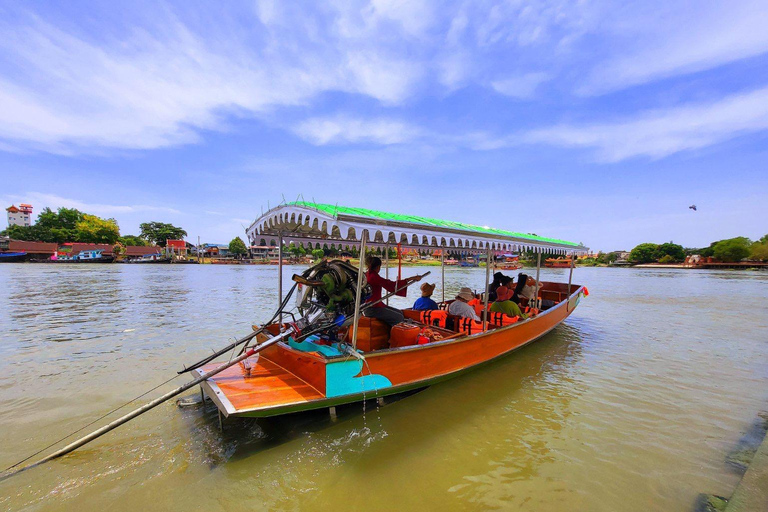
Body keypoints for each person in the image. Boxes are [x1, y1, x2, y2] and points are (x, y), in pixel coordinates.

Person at [363, 256, 420, 326]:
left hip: (374, 305)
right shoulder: (373, 277)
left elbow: (389, 284)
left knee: (400, 313)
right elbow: (391, 285)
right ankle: (395, 334)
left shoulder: (367, 274)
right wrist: (411, 278)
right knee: (399, 317)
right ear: (378, 267)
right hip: (372, 308)